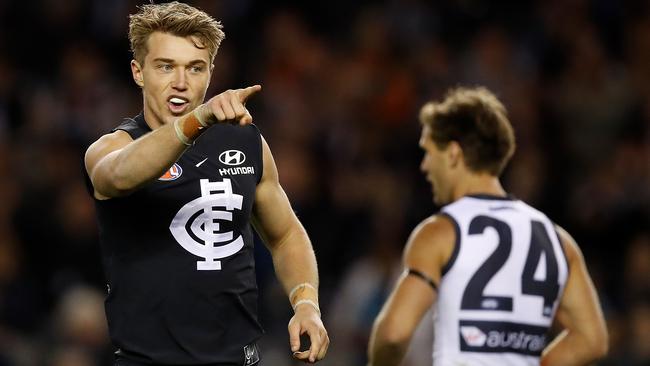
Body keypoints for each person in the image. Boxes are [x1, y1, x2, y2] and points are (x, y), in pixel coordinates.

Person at [83, 2, 328, 365]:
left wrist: (306, 303)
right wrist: (199, 119)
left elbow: (286, 234)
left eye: (195, 68)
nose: (180, 83)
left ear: (211, 73)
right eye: (166, 66)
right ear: (139, 72)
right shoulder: (114, 146)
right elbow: (119, 175)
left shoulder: (246, 143)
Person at [367, 87, 608, 366]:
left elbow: (394, 333)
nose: (424, 166)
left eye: (429, 152)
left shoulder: (441, 233)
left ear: (454, 154)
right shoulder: (557, 240)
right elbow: (592, 339)